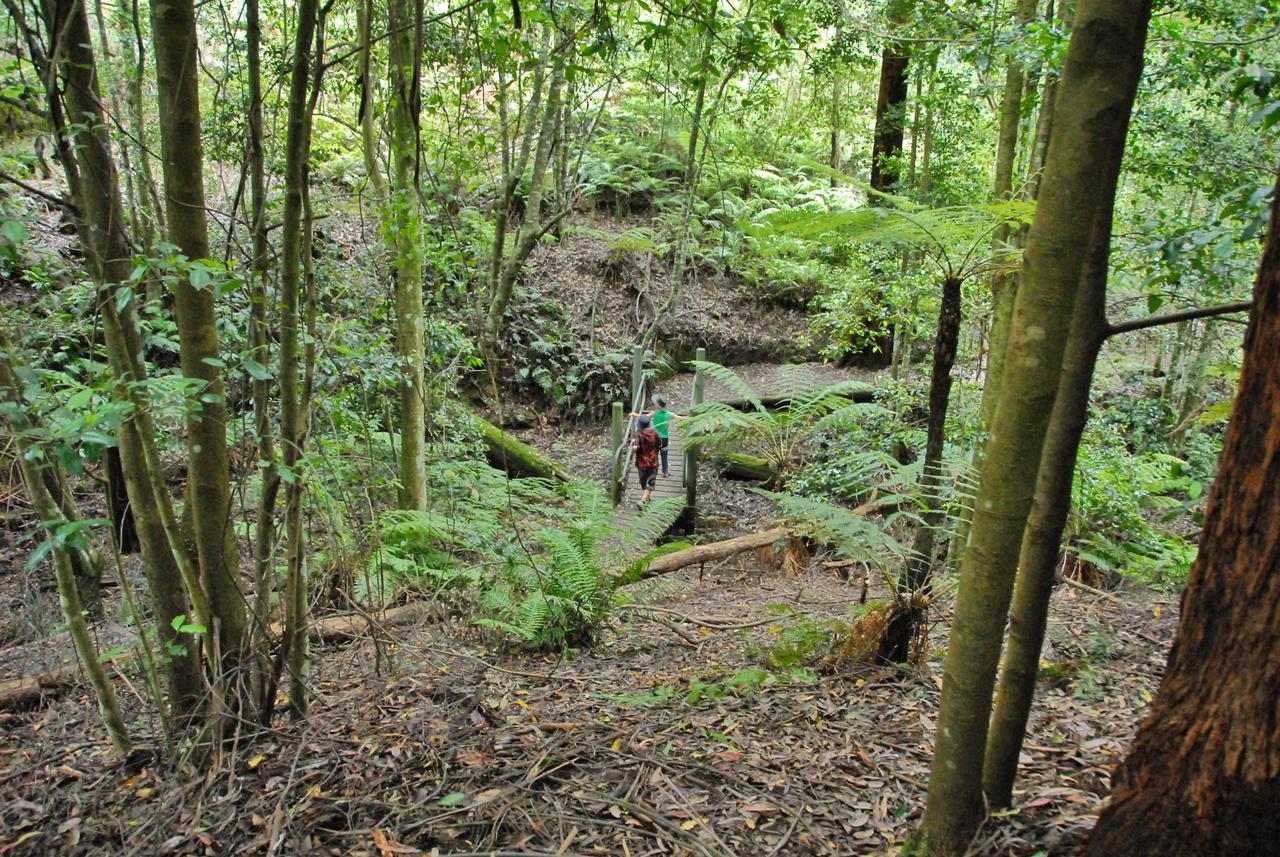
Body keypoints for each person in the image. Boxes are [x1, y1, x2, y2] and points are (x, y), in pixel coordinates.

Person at [632, 396, 684, 478]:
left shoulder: (654, 413)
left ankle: (653, 469)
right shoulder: (669, 414)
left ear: (657, 406)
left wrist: (634, 414)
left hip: (654, 437)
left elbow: (644, 417)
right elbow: (680, 418)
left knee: (654, 453)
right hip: (665, 438)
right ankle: (665, 471)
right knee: (664, 455)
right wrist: (692, 418)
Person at [632, 414, 661, 507]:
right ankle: (647, 499)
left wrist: (634, 450)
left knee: (644, 481)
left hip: (641, 463)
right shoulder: (656, 433)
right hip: (653, 461)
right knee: (650, 481)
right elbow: (660, 444)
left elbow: (634, 447)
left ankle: (642, 501)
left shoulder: (637, 434)